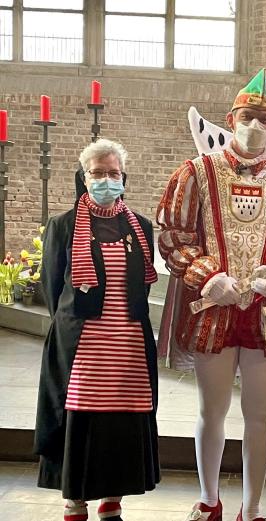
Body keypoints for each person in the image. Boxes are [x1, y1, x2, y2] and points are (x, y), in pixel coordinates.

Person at [157, 68, 266, 521]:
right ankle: (209, 499)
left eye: (263, 119)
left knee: (260, 414)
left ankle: (251, 508)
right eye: (247, 116)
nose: (255, 126)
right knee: (211, 410)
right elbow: (174, 233)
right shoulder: (196, 172)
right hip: (213, 307)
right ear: (232, 119)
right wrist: (208, 276)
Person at [36, 139, 160, 521]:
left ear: (124, 178)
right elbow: (51, 285)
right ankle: (75, 499)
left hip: (127, 341)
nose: (106, 179)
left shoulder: (140, 226)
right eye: (97, 173)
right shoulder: (63, 225)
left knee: (121, 417)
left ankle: (112, 497)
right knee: (80, 416)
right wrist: (77, 319)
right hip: (83, 342)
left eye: (113, 173)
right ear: (83, 177)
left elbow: (143, 282)